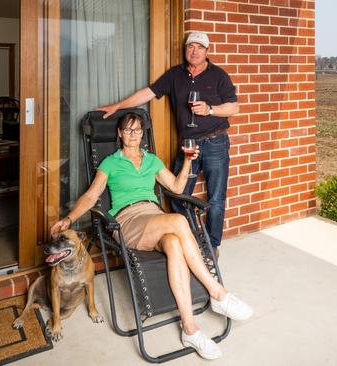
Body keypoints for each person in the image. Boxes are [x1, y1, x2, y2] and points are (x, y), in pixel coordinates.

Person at [51, 113, 252, 360]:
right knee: (178, 220)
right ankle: (218, 292)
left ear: (142, 134)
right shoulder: (110, 163)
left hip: (153, 216)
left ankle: (190, 328)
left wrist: (188, 161)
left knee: (175, 242)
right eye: (128, 130)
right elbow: (92, 197)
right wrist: (69, 219)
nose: (134, 134)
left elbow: (176, 188)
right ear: (120, 134)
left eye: (138, 130)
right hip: (127, 220)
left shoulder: (152, 160)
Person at [98, 31, 238, 257]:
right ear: (185, 49)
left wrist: (210, 109)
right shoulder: (175, 75)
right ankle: (190, 238)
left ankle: (212, 246)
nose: (194, 51)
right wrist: (118, 106)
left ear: (206, 51)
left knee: (216, 198)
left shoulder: (219, 76)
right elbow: (148, 93)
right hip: (189, 144)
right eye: (190, 46)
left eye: (199, 47)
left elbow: (233, 107)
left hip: (215, 143)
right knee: (176, 195)